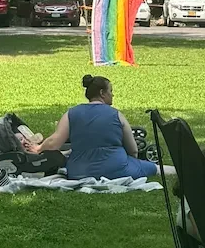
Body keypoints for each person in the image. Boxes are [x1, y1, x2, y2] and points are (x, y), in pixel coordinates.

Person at [26, 75, 161, 180]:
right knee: (155, 168)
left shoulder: (71, 113)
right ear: (102, 93)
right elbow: (133, 151)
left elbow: (55, 142)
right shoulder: (116, 114)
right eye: (111, 91)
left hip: (78, 172)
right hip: (116, 170)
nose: (112, 94)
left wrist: (38, 148)